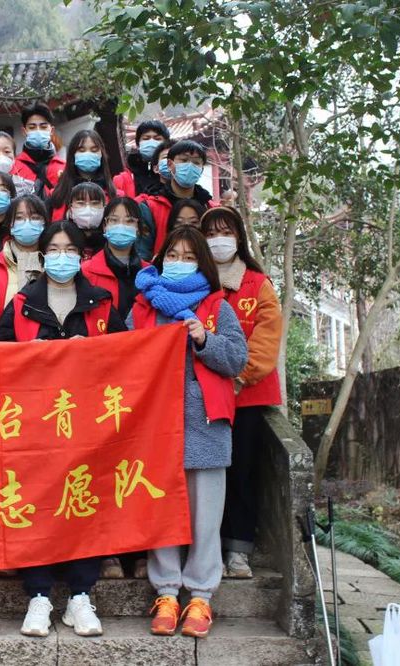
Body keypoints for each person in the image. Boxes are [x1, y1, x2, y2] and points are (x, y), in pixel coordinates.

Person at [0, 221, 127, 639]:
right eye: (54, 249)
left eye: (70, 249)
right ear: (42, 255)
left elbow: (128, 355)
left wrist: (94, 352)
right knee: (35, 502)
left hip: (88, 426)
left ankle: (80, 596)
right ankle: (38, 595)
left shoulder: (101, 303)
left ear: (82, 255)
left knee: (84, 503)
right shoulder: (22, 303)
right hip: (34, 425)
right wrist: (26, 355)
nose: (62, 256)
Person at [127, 225, 247, 638]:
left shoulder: (217, 306)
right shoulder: (142, 308)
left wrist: (204, 339)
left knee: (205, 516)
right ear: (161, 260)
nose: (179, 263)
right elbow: (119, 358)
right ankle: (166, 591)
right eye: (173, 256)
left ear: (203, 264)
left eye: (189, 257)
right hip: (154, 425)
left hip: (205, 425)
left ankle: (200, 596)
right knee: (160, 511)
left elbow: (237, 358)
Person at [201, 206, 282, 580]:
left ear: (239, 238)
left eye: (226, 232)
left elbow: (265, 342)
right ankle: (207, 548)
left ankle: (239, 551)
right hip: (204, 399)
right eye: (210, 234)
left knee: (243, 473)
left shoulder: (258, 284)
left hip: (247, 396)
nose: (218, 240)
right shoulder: (197, 283)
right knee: (207, 475)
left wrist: (238, 377)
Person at [0, 194, 47, 324]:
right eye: (19, 218)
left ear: (44, 224)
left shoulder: (56, 266)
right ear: (10, 225)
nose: (27, 223)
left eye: (35, 218)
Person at [136, 140, 214, 261]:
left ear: (202, 170)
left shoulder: (209, 207)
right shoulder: (150, 207)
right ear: (169, 164)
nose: (190, 166)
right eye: (184, 160)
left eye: (196, 162)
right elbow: (142, 253)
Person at [80, 196, 149, 321]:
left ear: (138, 228)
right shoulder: (86, 271)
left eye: (129, 221)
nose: (121, 226)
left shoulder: (149, 272)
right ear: (105, 226)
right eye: (114, 220)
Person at [47, 129, 118, 222]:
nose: (88, 154)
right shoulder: (56, 195)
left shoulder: (116, 196)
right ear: (72, 155)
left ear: (102, 154)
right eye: (81, 150)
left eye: (94, 150)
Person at [13, 102, 66, 199]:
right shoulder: (13, 168)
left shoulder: (64, 168)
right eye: (32, 127)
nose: (38, 131)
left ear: (51, 131)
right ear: (24, 131)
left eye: (43, 127)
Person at [113, 119, 171, 198]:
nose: (151, 142)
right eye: (146, 138)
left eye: (157, 139)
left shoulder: (176, 173)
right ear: (138, 144)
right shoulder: (123, 180)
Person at [60, 182, 107, 259]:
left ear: (104, 207)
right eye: (81, 203)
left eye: (95, 203)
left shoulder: (111, 241)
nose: (88, 209)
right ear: (70, 208)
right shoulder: (61, 238)